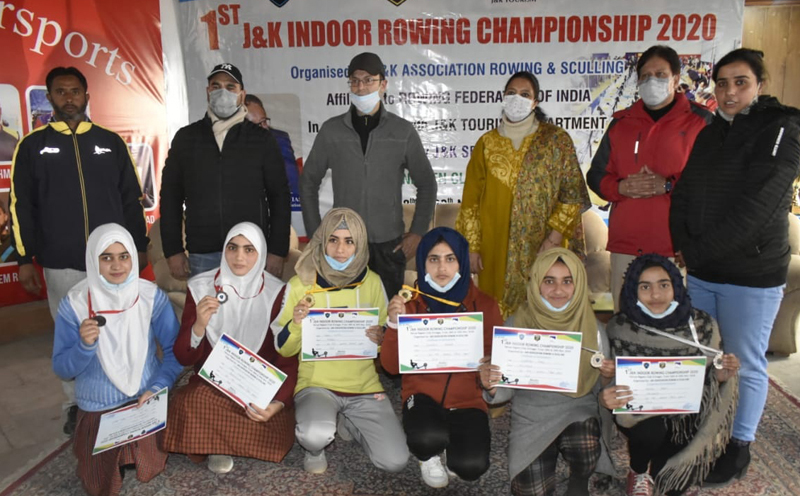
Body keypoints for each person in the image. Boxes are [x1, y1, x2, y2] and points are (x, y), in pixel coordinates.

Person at [669, 48, 800, 486]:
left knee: (743, 361)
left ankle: (739, 446)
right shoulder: (711, 132)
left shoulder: (782, 128)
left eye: (740, 82)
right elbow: (685, 193)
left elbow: (759, 208)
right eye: (722, 83)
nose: (729, 92)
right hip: (704, 271)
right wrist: (683, 244)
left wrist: (700, 252)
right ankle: (707, 431)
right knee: (704, 356)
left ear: (759, 84)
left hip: (751, 275)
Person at [10, 66, 148, 435]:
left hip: (113, 263)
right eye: (60, 91)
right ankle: (74, 404)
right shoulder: (33, 146)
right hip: (62, 260)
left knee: (119, 327)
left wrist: (140, 246)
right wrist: (24, 258)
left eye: (75, 91)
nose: (68, 97)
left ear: (87, 97)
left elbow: (132, 199)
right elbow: (21, 206)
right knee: (72, 333)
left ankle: (122, 389)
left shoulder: (110, 142)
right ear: (50, 97)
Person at [273, 207, 408, 474]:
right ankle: (315, 448)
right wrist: (297, 324)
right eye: (333, 240)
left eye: (349, 241)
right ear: (322, 241)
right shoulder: (300, 284)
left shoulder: (372, 282)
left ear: (359, 244)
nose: (340, 249)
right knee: (313, 434)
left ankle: (350, 422)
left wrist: (382, 336)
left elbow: (384, 337)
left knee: (394, 461)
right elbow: (283, 346)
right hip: (317, 384)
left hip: (364, 385)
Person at [52, 223, 181, 496]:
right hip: (99, 404)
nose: (116, 265)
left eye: (123, 256)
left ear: (133, 258)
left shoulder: (149, 296)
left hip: (145, 398)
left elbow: (175, 352)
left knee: (152, 463)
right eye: (106, 257)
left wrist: (157, 388)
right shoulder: (75, 303)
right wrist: (84, 347)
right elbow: (62, 368)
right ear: (92, 260)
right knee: (99, 480)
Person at [162, 222, 297, 474]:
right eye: (233, 248)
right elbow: (183, 356)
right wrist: (199, 326)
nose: (239, 257)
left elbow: (288, 357)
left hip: (258, 385)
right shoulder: (201, 287)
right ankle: (222, 441)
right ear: (224, 250)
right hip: (214, 385)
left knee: (275, 421)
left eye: (249, 250)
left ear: (261, 254)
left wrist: (277, 404)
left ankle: (216, 436)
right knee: (187, 402)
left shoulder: (278, 292)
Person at [599, 254, 739, 496]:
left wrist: (722, 375)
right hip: (640, 417)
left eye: (664, 285)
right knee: (650, 432)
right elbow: (609, 380)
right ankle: (638, 470)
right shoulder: (619, 327)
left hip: (685, 415)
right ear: (633, 289)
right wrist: (607, 387)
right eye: (645, 287)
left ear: (676, 285)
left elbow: (708, 382)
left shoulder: (704, 325)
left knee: (671, 485)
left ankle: (663, 469)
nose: (656, 295)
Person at [300, 52, 437, 297]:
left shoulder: (402, 131)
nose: (361, 87)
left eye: (368, 80)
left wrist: (417, 232)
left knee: (385, 324)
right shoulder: (332, 131)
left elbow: (427, 184)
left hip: (389, 246)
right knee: (345, 319)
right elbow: (308, 181)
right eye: (354, 80)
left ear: (383, 85)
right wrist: (316, 235)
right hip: (343, 246)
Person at [587, 45, 713, 311]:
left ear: (676, 80)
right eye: (645, 76)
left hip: (676, 249)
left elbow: (713, 183)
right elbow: (595, 176)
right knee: (626, 328)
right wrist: (621, 187)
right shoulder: (621, 123)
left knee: (672, 329)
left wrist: (668, 185)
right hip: (627, 247)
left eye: (660, 74)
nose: (651, 81)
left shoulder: (700, 121)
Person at [479, 248, 613, 496]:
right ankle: (547, 450)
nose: (558, 291)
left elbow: (601, 392)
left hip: (576, 409)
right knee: (529, 491)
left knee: (585, 448)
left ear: (579, 283)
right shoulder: (516, 323)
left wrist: (606, 376)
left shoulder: (592, 327)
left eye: (567, 281)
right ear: (536, 283)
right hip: (531, 415)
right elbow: (504, 391)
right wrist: (492, 385)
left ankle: (579, 478)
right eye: (549, 281)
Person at [456, 71, 590, 318]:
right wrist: (472, 248)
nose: (517, 99)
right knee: (496, 315)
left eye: (525, 94)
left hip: (544, 245)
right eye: (511, 93)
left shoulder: (556, 141)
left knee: (545, 313)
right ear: (503, 98)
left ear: (536, 102)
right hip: (495, 249)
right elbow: (471, 203)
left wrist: (552, 240)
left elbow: (572, 196)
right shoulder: (486, 143)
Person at [381, 227, 503, 488]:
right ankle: (427, 456)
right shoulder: (409, 304)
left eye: (450, 258)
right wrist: (393, 324)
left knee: (471, 468)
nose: (442, 268)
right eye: (433, 259)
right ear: (423, 262)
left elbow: (497, 356)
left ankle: (451, 447)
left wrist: (489, 370)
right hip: (421, 397)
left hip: (468, 400)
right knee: (426, 438)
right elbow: (390, 367)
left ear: (461, 260)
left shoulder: (486, 304)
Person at [160, 63, 291, 280]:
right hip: (203, 254)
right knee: (206, 314)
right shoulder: (186, 138)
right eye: (216, 86)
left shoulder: (261, 140)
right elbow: (170, 197)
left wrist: (277, 251)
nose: (223, 92)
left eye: (230, 87)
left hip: (250, 251)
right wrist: (173, 250)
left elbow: (279, 196)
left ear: (242, 95)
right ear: (207, 91)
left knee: (252, 314)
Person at [245, 94, 302, 222]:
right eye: (257, 125)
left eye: (264, 121)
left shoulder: (279, 140)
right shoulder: (229, 144)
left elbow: (291, 180)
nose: (264, 127)